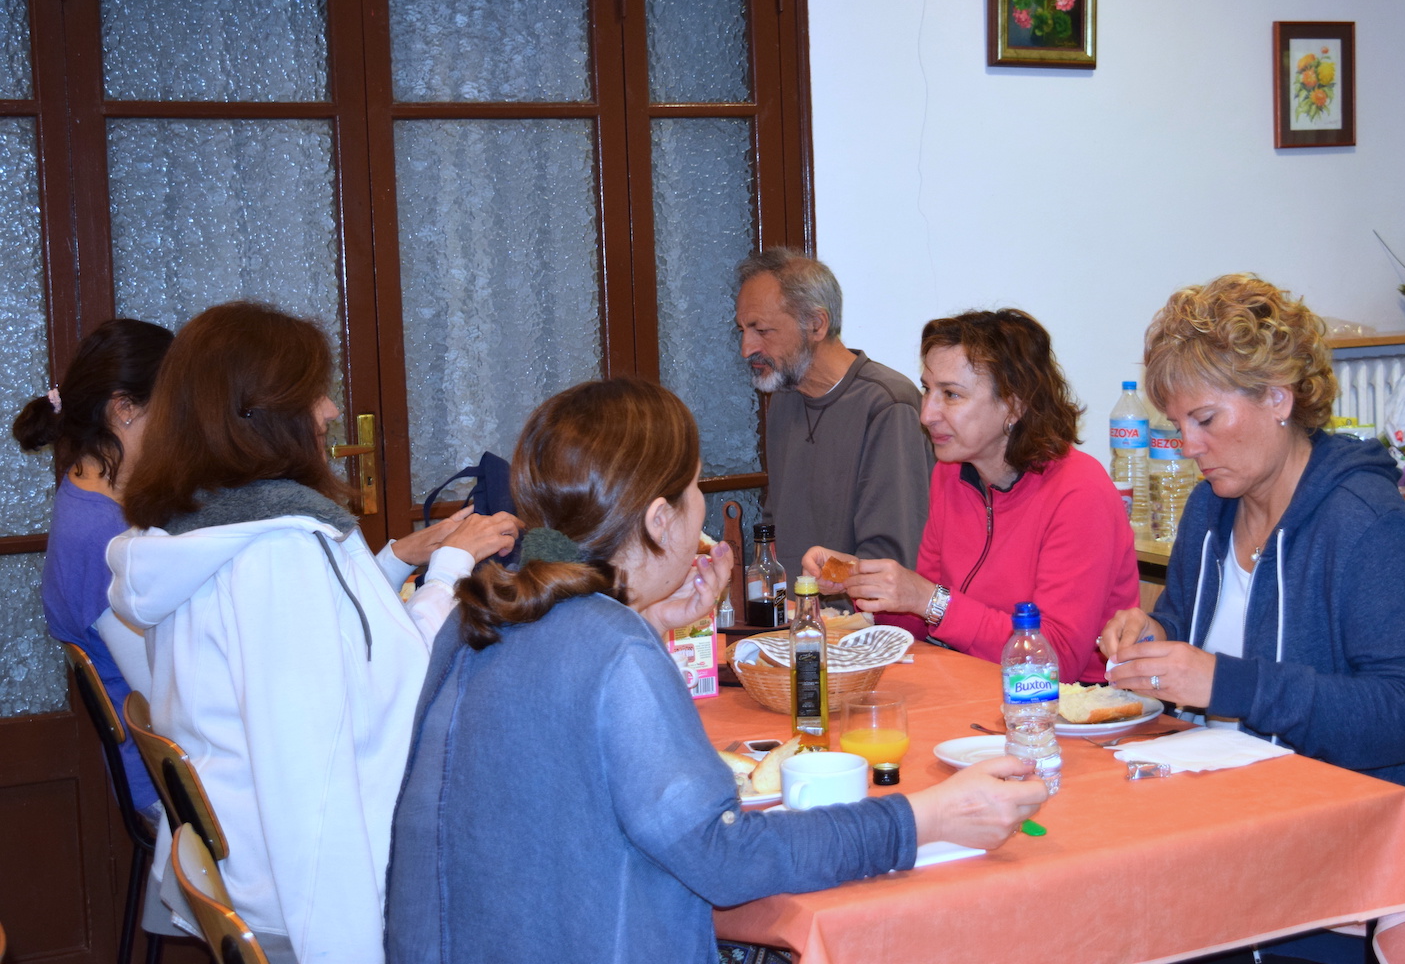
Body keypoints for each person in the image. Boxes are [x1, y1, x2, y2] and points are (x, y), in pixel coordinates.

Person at [384, 377, 1048, 964]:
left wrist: (647, 618)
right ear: (659, 519)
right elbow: (726, 857)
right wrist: (926, 818)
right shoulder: (613, 649)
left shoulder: (480, 614)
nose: (701, 504)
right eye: (694, 488)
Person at [107, 301, 521, 964]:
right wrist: (451, 568)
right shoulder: (279, 553)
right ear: (261, 415)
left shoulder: (200, 525)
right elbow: (373, 708)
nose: (329, 413)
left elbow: (344, 648)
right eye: (315, 395)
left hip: (246, 863)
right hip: (301, 900)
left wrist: (405, 559)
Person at [1100, 274, 1405, 964]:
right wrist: (1153, 639)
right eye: (1178, 425)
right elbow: (1184, 623)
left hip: (1337, 865)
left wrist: (1228, 684)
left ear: (1278, 398)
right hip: (1217, 825)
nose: (1189, 446)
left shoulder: (1368, 524)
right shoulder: (1211, 509)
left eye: (1206, 420)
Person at [805, 309, 1137, 683]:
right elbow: (921, 624)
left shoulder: (1079, 491)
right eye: (927, 390)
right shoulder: (950, 474)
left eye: (951, 394)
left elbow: (1055, 658)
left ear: (1014, 404)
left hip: (1068, 705)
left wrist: (929, 599)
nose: (927, 414)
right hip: (973, 684)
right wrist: (862, 581)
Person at [11, 318, 173, 820]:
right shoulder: (103, 538)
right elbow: (165, 696)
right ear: (124, 409)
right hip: (165, 774)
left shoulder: (84, 489)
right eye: (174, 405)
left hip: (156, 755)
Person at [734, 250, 932, 575]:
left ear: (816, 324)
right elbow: (776, 528)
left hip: (856, 608)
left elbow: (890, 558)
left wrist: (815, 596)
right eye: (742, 330)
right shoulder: (784, 399)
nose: (747, 348)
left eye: (762, 331)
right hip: (793, 606)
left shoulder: (887, 405)